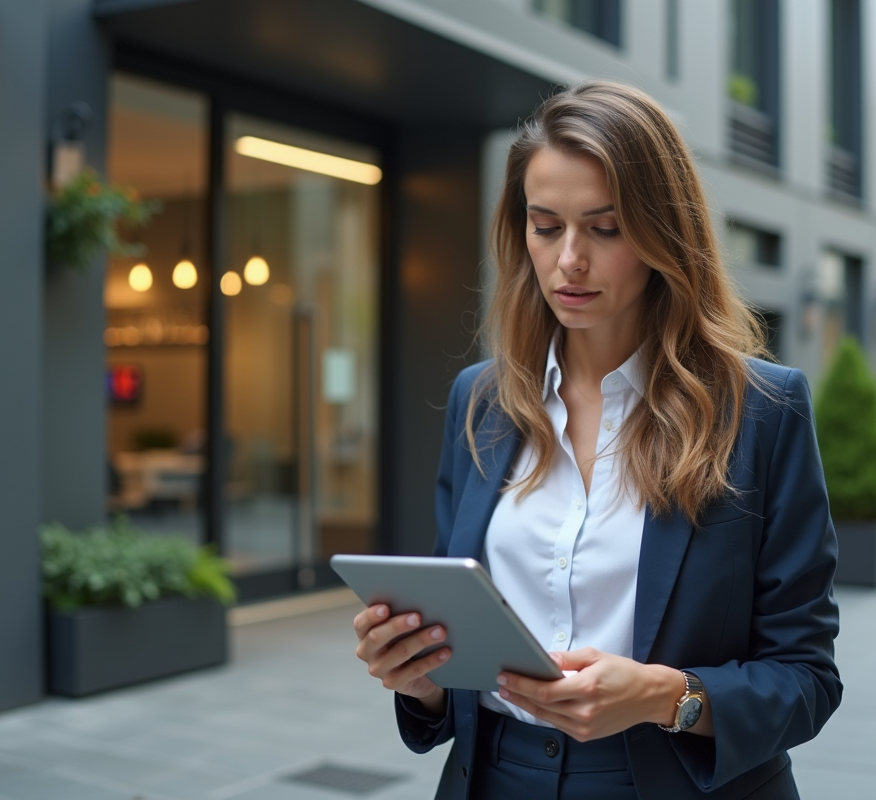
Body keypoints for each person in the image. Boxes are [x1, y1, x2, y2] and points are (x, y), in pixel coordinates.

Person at [352, 80, 841, 799]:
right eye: (545, 226)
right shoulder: (481, 401)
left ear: (662, 234)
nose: (569, 260)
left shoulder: (761, 410)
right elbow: (457, 659)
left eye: (604, 228)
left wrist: (660, 695)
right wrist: (420, 678)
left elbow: (806, 678)